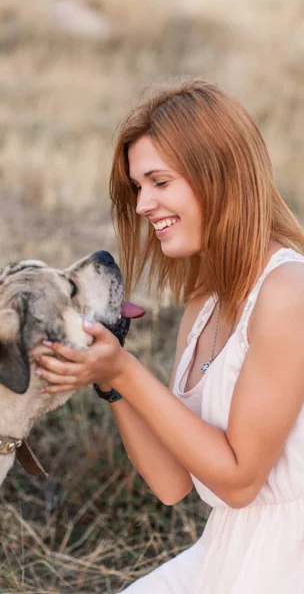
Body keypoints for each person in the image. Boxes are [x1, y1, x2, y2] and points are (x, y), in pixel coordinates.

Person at [34, 77, 304, 594]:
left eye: (159, 182)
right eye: (138, 187)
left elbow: (241, 480)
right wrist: (110, 379)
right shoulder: (204, 305)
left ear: (217, 176)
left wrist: (126, 371)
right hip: (227, 549)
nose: (141, 206)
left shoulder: (288, 291)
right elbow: (171, 484)